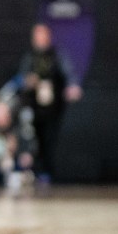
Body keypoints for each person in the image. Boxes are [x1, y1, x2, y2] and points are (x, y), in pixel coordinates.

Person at [14, 23, 81, 176]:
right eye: (38, 36)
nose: (40, 39)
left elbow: (68, 72)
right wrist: (28, 82)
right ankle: (36, 171)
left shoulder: (57, 55)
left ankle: (49, 172)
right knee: (34, 141)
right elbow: (21, 79)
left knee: (51, 140)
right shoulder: (29, 57)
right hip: (34, 108)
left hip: (53, 109)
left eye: (43, 36)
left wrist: (73, 86)